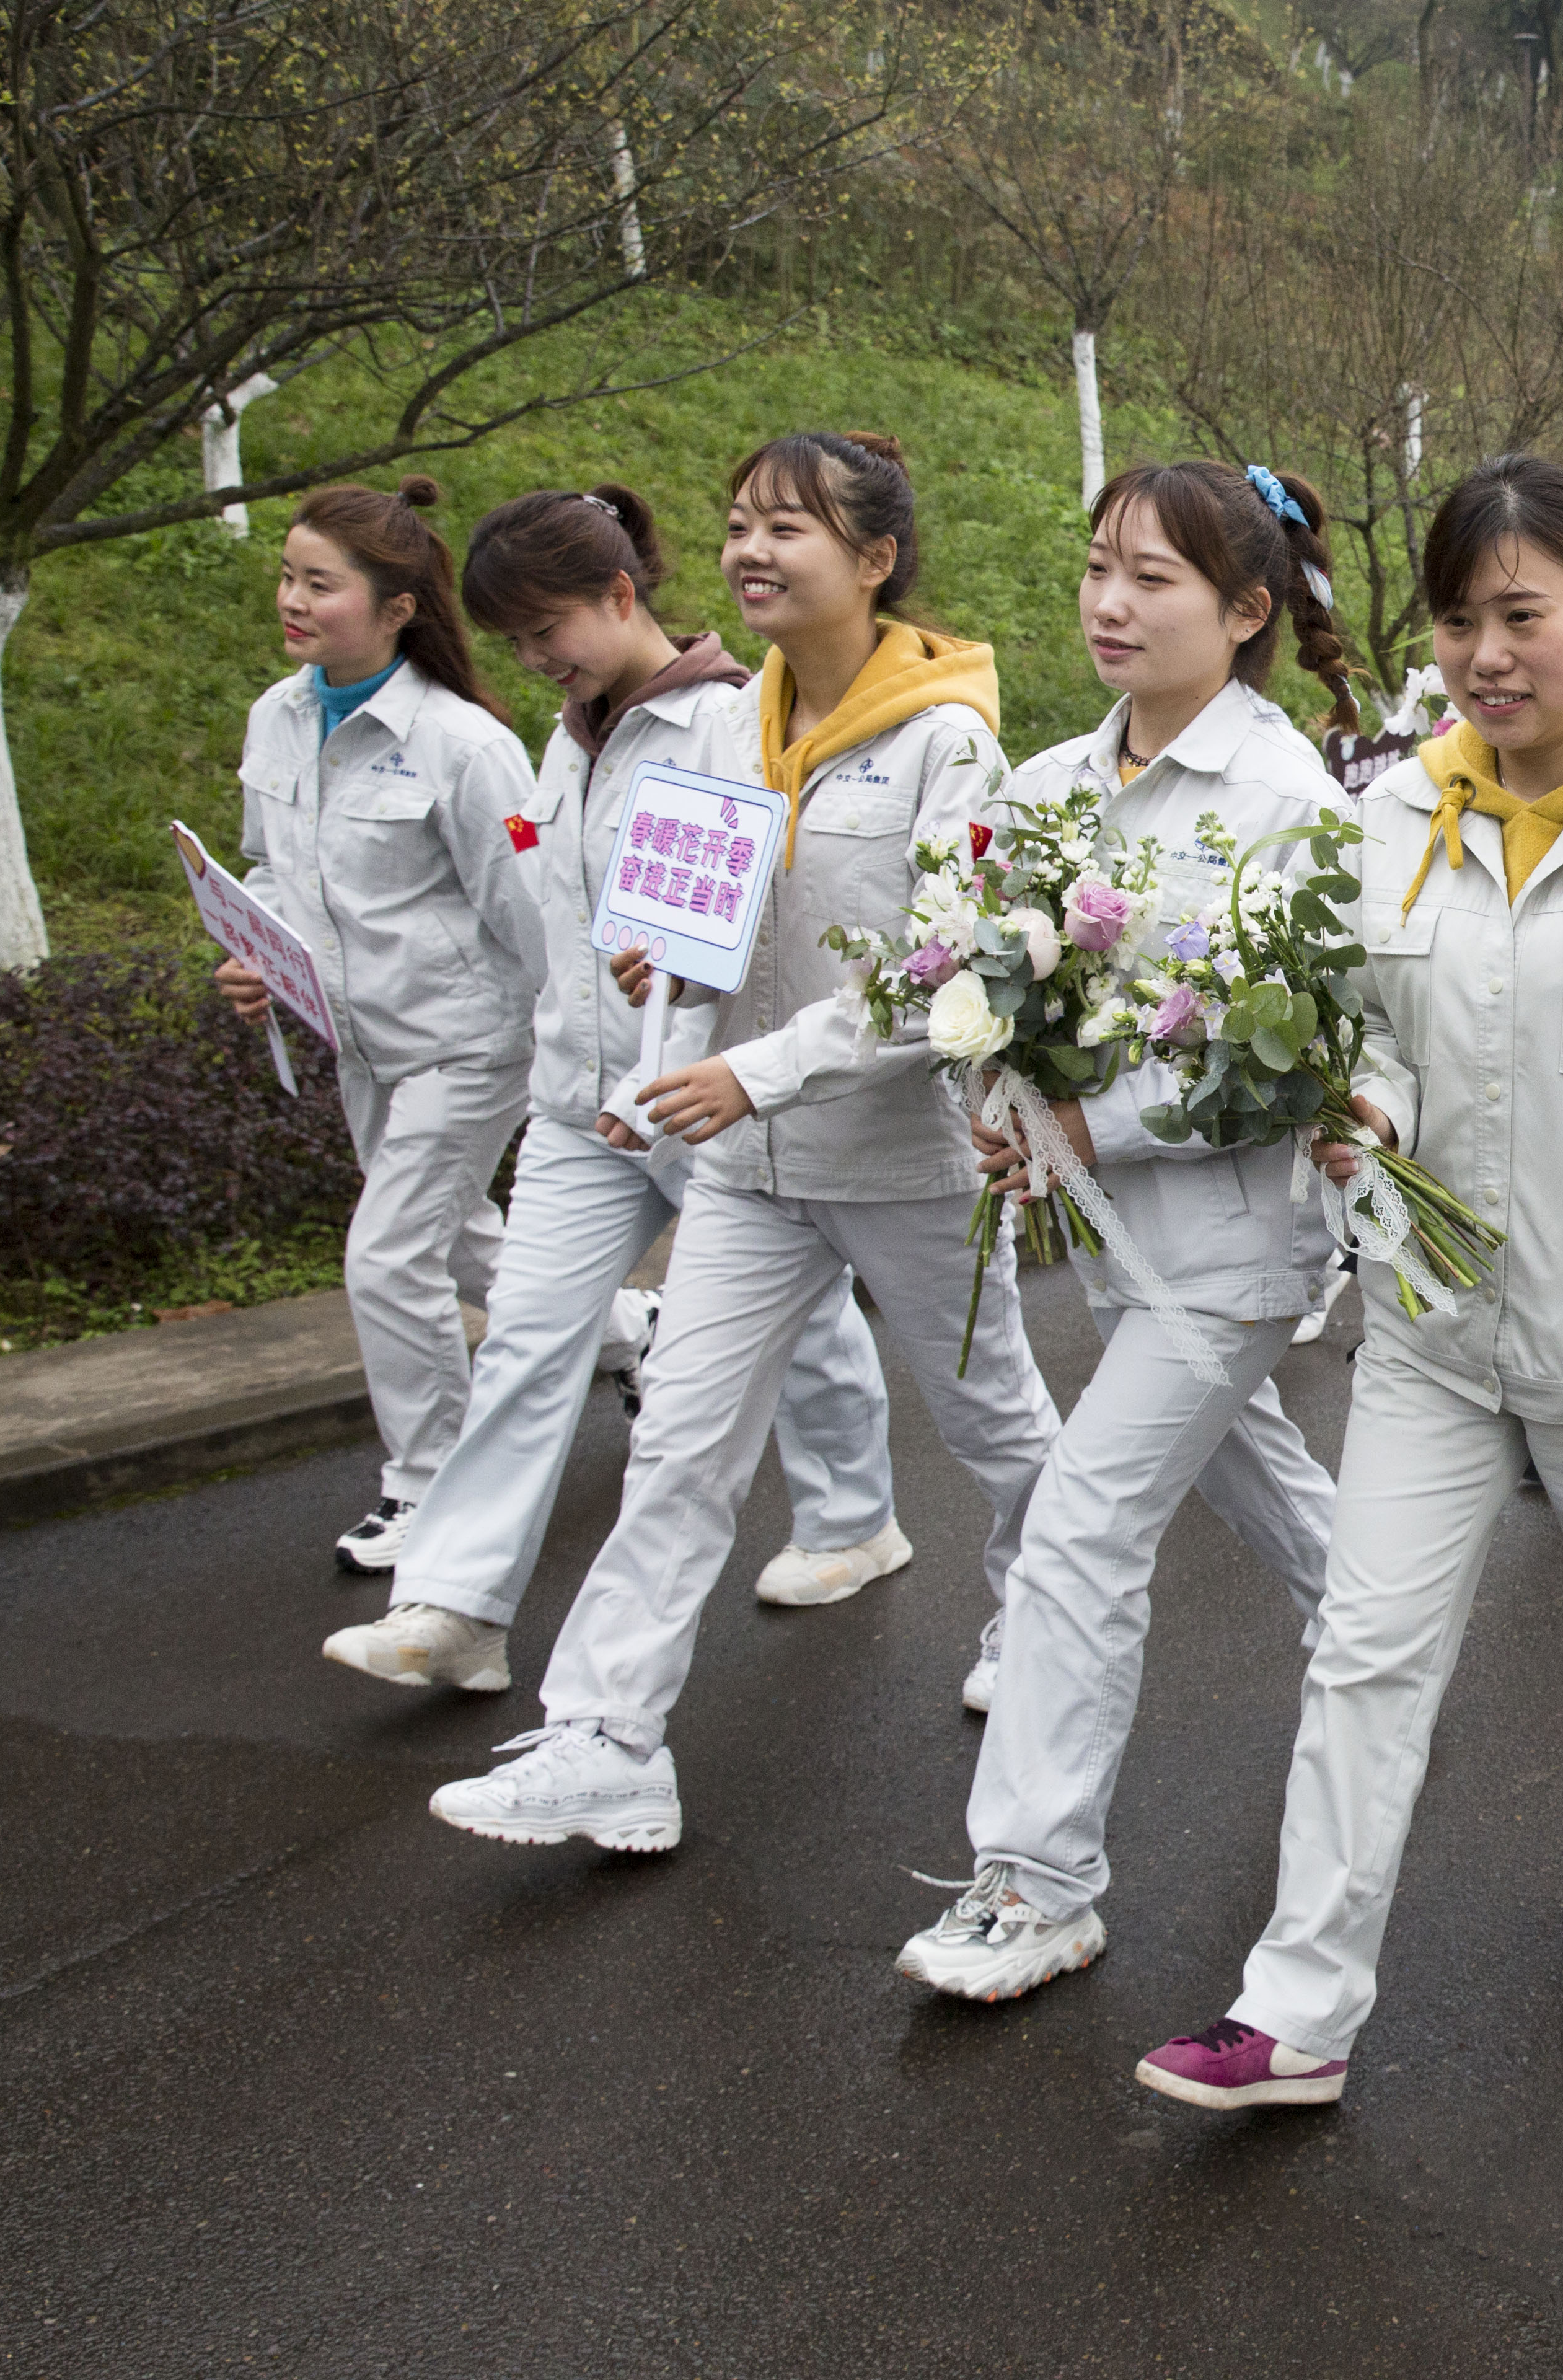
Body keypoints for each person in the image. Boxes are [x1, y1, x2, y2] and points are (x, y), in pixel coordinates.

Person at [1131, 455, 1563, 2108]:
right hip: (1429, 1328)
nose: (1486, 654)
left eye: (1524, 614)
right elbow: (1355, 1037)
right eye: (1457, 619)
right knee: (1366, 1654)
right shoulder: (1390, 819)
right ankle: (1298, 2006)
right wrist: (1353, 1110)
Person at [428, 431, 1059, 1854]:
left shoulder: (946, 741)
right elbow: (700, 933)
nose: (749, 551)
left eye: (788, 528)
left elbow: (950, 973)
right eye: (735, 525)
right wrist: (667, 983)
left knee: (1001, 1431)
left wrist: (754, 1069)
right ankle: (606, 1737)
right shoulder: (730, 725)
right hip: (751, 1177)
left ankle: (1042, 1620)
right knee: (681, 1454)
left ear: (876, 560)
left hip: (902, 1162)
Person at [897, 459, 1361, 2001]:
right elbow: (983, 985)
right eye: (1097, 566)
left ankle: (1036, 1876)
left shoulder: (1290, 803)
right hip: (1107, 1240)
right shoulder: (1039, 790)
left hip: (1232, 1248)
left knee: (1083, 1523)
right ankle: (1374, 1642)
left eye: (1151, 577)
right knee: (1257, 1476)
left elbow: (1286, 1056)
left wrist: (1093, 1122)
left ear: (1243, 612)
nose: (1109, 600)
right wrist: (993, 1090)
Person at [322, 487, 905, 1696]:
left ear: (621, 596)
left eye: (551, 633)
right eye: (519, 643)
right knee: (528, 1343)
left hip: (696, 1094)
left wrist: (649, 1074)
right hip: (576, 1102)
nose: (538, 661)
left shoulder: (730, 726)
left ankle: (855, 1518)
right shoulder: (570, 731)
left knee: (795, 1323)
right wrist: (577, 1067)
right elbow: (559, 914)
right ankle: (455, 1608)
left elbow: (724, 952)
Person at [219, 479, 542, 1576]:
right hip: (360, 1040)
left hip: (470, 1041)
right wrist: (256, 949)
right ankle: (627, 1333)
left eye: (321, 583)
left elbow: (531, 911)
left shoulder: (463, 745)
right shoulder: (276, 714)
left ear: (399, 607)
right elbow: (274, 865)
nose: (293, 600)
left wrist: (577, 1064)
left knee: (388, 1255)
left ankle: (432, 1491)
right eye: (288, 575)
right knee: (457, 1244)